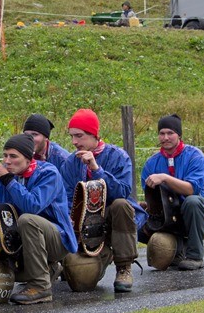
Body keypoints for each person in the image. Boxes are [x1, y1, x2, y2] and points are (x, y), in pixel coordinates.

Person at [0, 133, 78, 304]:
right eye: (5, 155)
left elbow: (32, 206)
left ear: (28, 159)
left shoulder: (48, 173)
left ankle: (41, 286)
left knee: (27, 220)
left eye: (13, 156)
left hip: (57, 238)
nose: (7, 161)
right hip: (23, 239)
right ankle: (48, 269)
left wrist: (8, 180)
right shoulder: (3, 179)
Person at [61, 109, 147, 292]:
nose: (74, 142)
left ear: (95, 135)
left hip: (113, 218)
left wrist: (96, 168)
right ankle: (103, 253)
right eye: (72, 136)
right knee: (81, 281)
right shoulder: (70, 163)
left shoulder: (118, 156)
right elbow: (67, 198)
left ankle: (124, 266)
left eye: (79, 136)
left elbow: (123, 192)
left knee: (121, 205)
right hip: (87, 227)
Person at [139, 114, 204, 270]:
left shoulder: (195, 156)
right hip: (169, 217)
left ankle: (195, 257)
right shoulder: (151, 163)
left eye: (170, 133)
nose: (166, 137)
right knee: (134, 215)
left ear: (179, 134)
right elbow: (152, 201)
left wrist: (164, 178)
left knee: (192, 202)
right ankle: (178, 249)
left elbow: (191, 189)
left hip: (199, 214)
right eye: (162, 133)